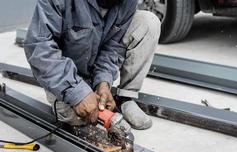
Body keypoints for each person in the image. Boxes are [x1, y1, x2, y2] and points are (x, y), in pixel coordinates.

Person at [24, 0, 161, 130]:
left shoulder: (127, 2)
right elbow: (39, 47)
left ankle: (125, 98)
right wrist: (76, 92)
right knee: (79, 119)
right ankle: (74, 91)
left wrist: (103, 82)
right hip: (62, 77)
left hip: (94, 69)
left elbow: (114, 47)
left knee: (148, 22)